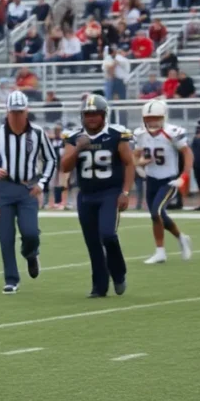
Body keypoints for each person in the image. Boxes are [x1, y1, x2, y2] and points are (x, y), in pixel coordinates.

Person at [0, 91, 58, 294]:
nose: (17, 116)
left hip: (27, 188)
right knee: (6, 236)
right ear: (7, 111)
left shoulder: (37, 133)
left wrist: (43, 182)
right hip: (3, 189)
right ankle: (11, 279)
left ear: (26, 111)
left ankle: (30, 253)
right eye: (13, 112)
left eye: (20, 112)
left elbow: (51, 159)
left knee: (30, 232)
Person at [60, 95, 135, 298]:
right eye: (87, 114)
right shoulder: (74, 137)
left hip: (110, 193)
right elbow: (64, 166)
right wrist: (78, 148)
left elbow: (129, 163)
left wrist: (125, 192)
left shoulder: (116, 135)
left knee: (108, 235)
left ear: (103, 115)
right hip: (86, 195)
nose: (91, 118)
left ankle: (118, 274)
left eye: (95, 114)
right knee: (93, 242)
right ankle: (99, 286)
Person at [132, 100, 193, 264]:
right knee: (157, 215)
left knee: (156, 212)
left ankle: (160, 252)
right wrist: (138, 165)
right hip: (151, 180)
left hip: (169, 180)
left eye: (156, 118)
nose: (152, 122)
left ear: (163, 117)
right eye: (149, 118)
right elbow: (135, 155)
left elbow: (188, 154)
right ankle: (181, 238)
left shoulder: (172, 132)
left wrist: (184, 176)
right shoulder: (140, 133)